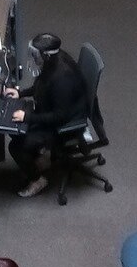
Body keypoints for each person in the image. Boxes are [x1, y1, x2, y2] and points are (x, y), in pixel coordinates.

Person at [6, 30, 89, 199]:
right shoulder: (55, 62)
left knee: (16, 146)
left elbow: (59, 117)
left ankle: (38, 180)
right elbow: (41, 85)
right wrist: (20, 93)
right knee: (12, 126)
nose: (34, 58)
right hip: (53, 109)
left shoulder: (62, 80)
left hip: (64, 124)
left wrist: (27, 117)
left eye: (36, 55)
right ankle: (39, 155)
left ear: (46, 55)